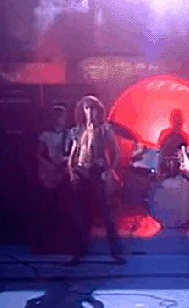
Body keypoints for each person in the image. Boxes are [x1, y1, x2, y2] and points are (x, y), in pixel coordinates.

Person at [67, 95, 125, 265]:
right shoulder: (77, 130)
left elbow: (116, 152)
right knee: (81, 215)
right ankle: (79, 252)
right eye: (87, 108)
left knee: (107, 214)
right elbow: (73, 154)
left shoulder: (105, 130)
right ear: (82, 110)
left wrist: (109, 170)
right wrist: (72, 172)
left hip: (98, 172)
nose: (90, 112)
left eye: (93, 109)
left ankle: (116, 252)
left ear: (98, 111)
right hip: (81, 172)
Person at [34, 104, 71, 252]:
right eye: (55, 116)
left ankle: (63, 242)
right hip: (49, 173)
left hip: (64, 173)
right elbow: (39, 154)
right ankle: (46, 242)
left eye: (60, 116)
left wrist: (66, 162)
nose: (58, 119)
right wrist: (49, 165)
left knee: (64, 208)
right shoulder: (45, 135)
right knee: (48, 207)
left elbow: (74, 154)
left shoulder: (70, 134)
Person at [157, 109, 189, 176]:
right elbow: (159, 146)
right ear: (171, 120)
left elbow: (185, 151)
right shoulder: (165, 133)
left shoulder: (184, 135)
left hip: (178, 164)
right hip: (164, 162)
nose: (176, 122)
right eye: (175, 119)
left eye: (178, 119)